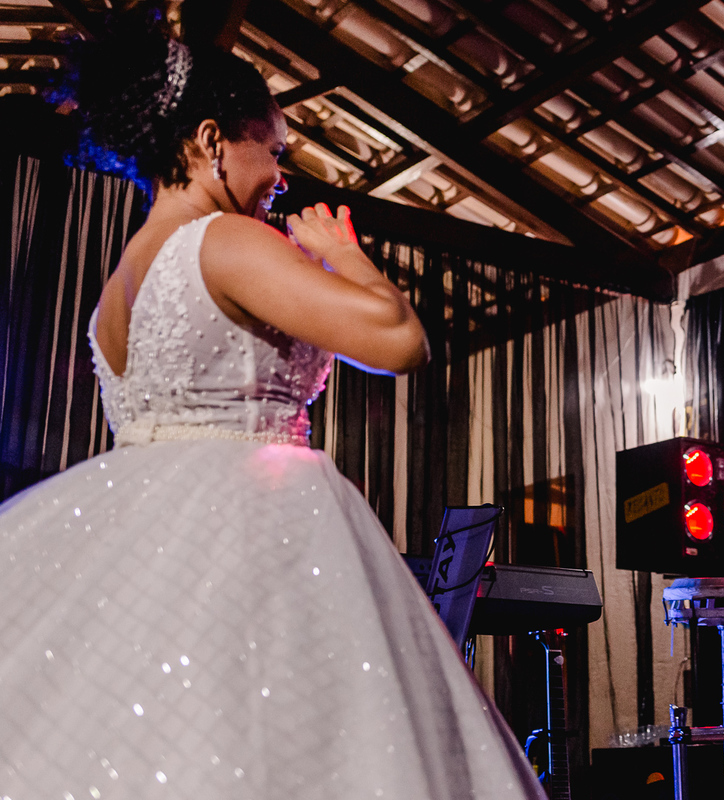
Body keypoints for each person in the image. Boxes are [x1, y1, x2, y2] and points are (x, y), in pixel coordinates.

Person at [0, 19, 544, 800]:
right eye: (275, 149)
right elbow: (397, 341)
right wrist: (345, 254)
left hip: (142, 538)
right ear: (213, 139)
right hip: (250, 524)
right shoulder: (223, 240)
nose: (281, 176)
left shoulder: (119, 283)